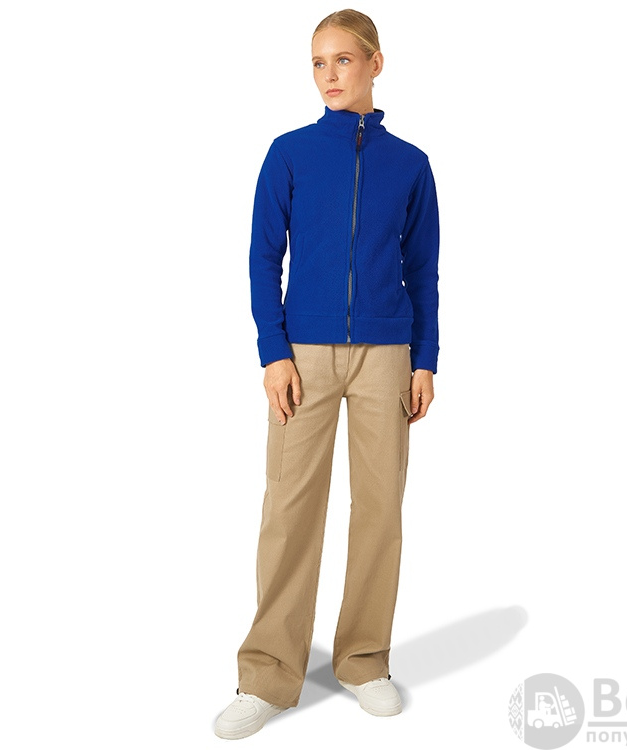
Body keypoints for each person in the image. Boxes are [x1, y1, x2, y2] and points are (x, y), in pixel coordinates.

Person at [215, 8, 440, 740]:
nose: (329, 75)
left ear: (376, 63)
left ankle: (364, 660)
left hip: (387, 354)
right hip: (303, 355)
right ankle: (267, 674)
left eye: (343, 59)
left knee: (379, 510)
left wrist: (425, 359)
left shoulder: (411, 164)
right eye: (318, 62)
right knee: (289, 511)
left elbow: (423, 271)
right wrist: (273, 352)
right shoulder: (288, 154)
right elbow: (262, 258)